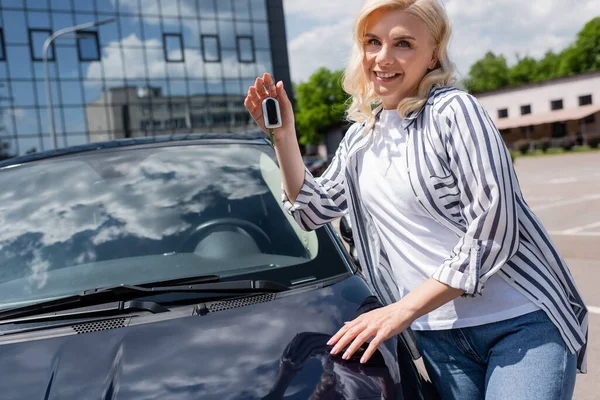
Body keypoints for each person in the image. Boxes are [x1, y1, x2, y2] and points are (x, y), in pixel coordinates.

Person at [244, 0, 588, 398]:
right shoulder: (361, 136)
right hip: (439, 339)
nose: (382, 58)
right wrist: (284, 136)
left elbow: (494, 230)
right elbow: (311, 209)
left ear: (434, 55)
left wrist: (401, 310)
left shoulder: (454, 111)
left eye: (403, 43)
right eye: (372, 42)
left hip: (518, 324)